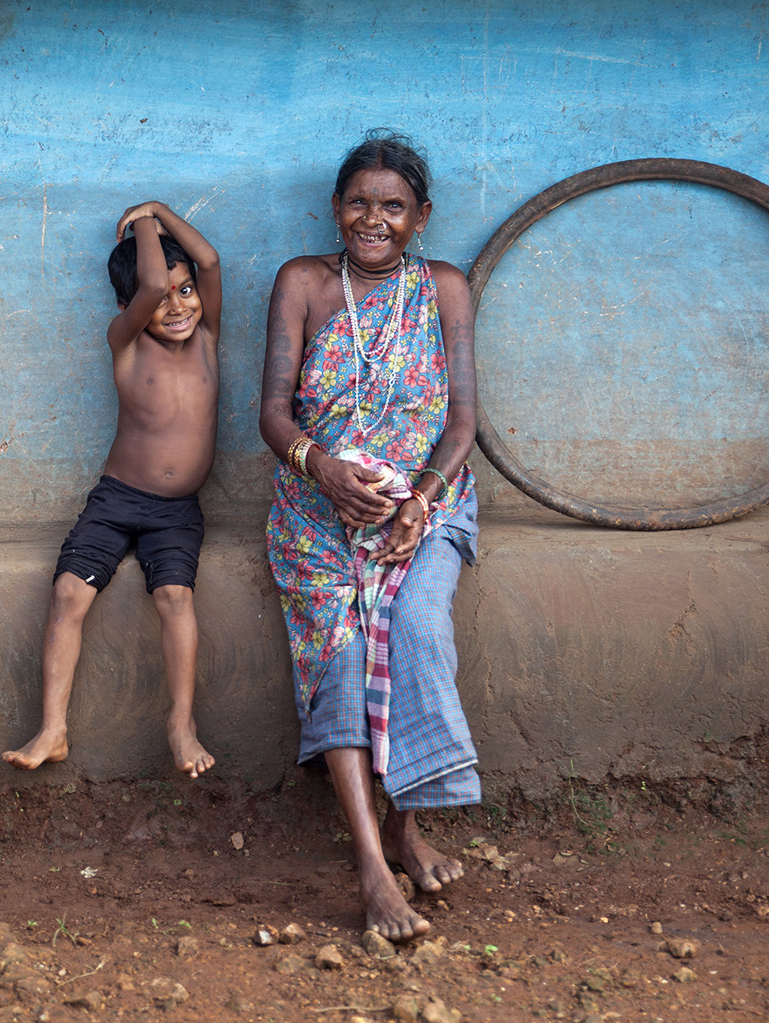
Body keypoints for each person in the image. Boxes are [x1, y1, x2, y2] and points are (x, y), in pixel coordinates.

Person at [259, 131, 481, 942]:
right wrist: (321, 470)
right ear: (335, 208)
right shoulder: (304, 283)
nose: (373, 219)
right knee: (343, 655)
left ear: (421, 217)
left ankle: (408, 821)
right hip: (316, 511)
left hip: (426, 503)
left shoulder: (445, 288)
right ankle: (370, 862)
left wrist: (420, 499)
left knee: (416, 625)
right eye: (359, 202)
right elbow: (272, 413)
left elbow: (462, 419)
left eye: (393, 206)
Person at [4, 201, 223, 779]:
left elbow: (209, 259)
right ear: (129, 309)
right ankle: (53, 728)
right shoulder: (125, 343)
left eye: (186, 291)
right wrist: (143, 225)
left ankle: (181, 723)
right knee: (69, 594)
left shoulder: (208, 338)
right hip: (117, 499)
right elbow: (151, 281)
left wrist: (160, 210)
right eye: (162, 297)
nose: (177, 304)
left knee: (174, 597)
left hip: (176, 511)